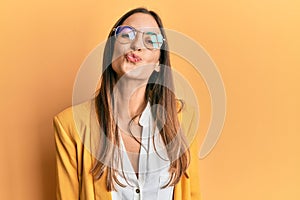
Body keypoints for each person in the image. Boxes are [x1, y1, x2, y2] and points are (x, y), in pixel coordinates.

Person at [53, 7, 201, 200]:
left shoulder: (183, 118)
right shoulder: (69, 125)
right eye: (127, 34)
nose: (137, 45)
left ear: (158, 63)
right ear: (111, 51)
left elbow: (192, 195)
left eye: (150, 41)